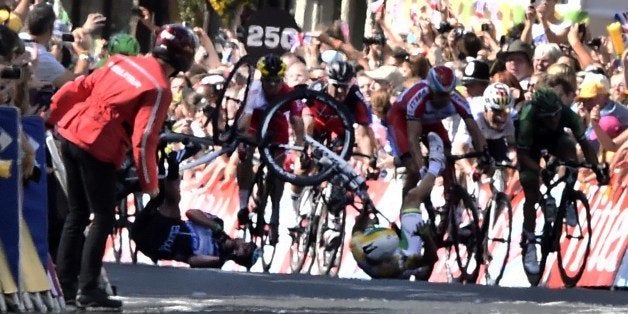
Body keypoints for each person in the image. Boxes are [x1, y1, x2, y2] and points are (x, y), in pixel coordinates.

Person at [46, 24, 197, 309]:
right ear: (183, 58)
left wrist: (50, 116)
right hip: (98, 145)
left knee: (77, 215)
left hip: (70, 132)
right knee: (103, 217)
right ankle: (88, 288)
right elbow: (145, 138)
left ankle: (65, 286)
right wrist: (151, 184)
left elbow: (78, 87)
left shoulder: (120, 62)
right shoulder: (159, 87)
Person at [516, 88, 609, 275]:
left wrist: (597, 167)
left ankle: (567, 198)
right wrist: (540, 170)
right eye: (548, 117)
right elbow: (522, 155)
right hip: (531, 146)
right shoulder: (527, 118)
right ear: (539, 113)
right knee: (531, 193)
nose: (554, 120)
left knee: (568, 146)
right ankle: (530, 244)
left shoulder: (567, 114)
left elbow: (585, 145)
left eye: (556, 115)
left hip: (554, 139)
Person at [131, 153, 259, 269]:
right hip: (155, 222)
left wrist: (220, 260)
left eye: (245, 251)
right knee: (173, 204)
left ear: (238, 258)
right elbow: (190, 213)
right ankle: (172, 166)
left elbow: (192, 260)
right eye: (247, 245)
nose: (244, 246)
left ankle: (161, 178)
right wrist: (214, 227)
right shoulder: (218, 223)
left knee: (171, 210)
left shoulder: (216, 259)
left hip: (151, 243)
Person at [350, 132, 442, 280]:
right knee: (412, 199)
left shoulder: (358, 247)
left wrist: (366, 212)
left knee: (408, 188)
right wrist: (426, 237)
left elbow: (358, 225)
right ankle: (436, 163)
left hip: (389, 252)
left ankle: (414, 169)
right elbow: (432, 258)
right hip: (410, 263)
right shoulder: (399, 262)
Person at [235, 53, 304, 245]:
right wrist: (244, 139)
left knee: (277, 170)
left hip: (276, 127)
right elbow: (244, 121)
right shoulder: (254, 90)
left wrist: (299, 148)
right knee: (243, 155)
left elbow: (297, 123)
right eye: (268, 81)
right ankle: (243, 204)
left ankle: (274, 213)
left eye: (276, 81)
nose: (273, 86)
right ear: (262, 79)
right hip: (255, 125)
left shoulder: (289, 92)